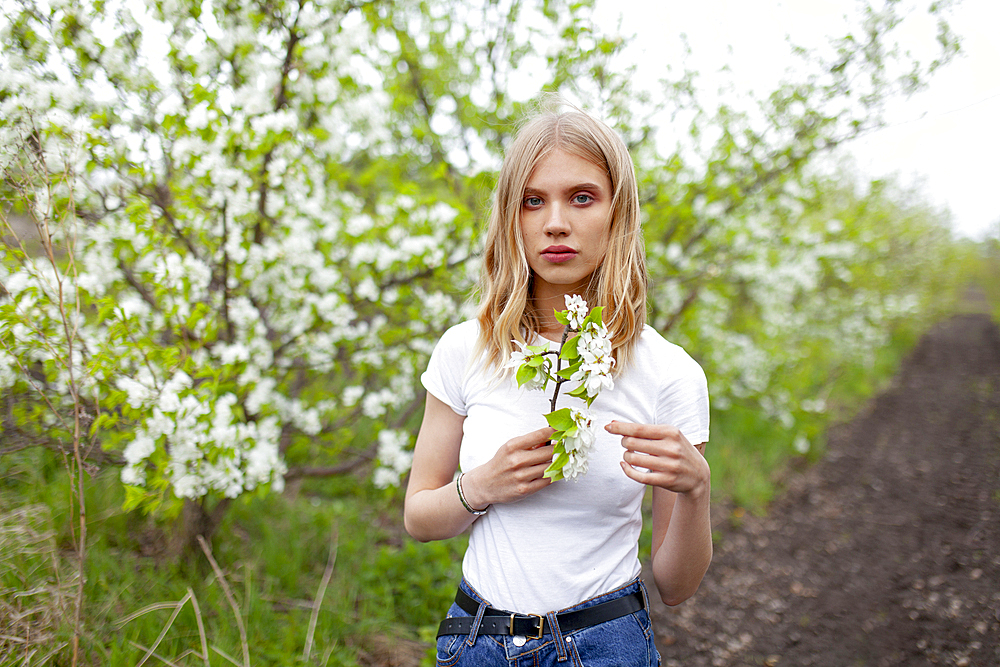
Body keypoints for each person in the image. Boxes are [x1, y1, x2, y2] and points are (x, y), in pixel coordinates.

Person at [404, 103, 712, 667]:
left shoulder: (669, 373)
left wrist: (696, 490)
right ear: (511, 216)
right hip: (478, 643)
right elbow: (419, 517)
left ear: (618, 213)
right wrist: (482, 487)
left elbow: (676, 585)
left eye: (582, 197)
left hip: (605, 643)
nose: (555, 223)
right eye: (533, 200)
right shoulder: (467, 349)